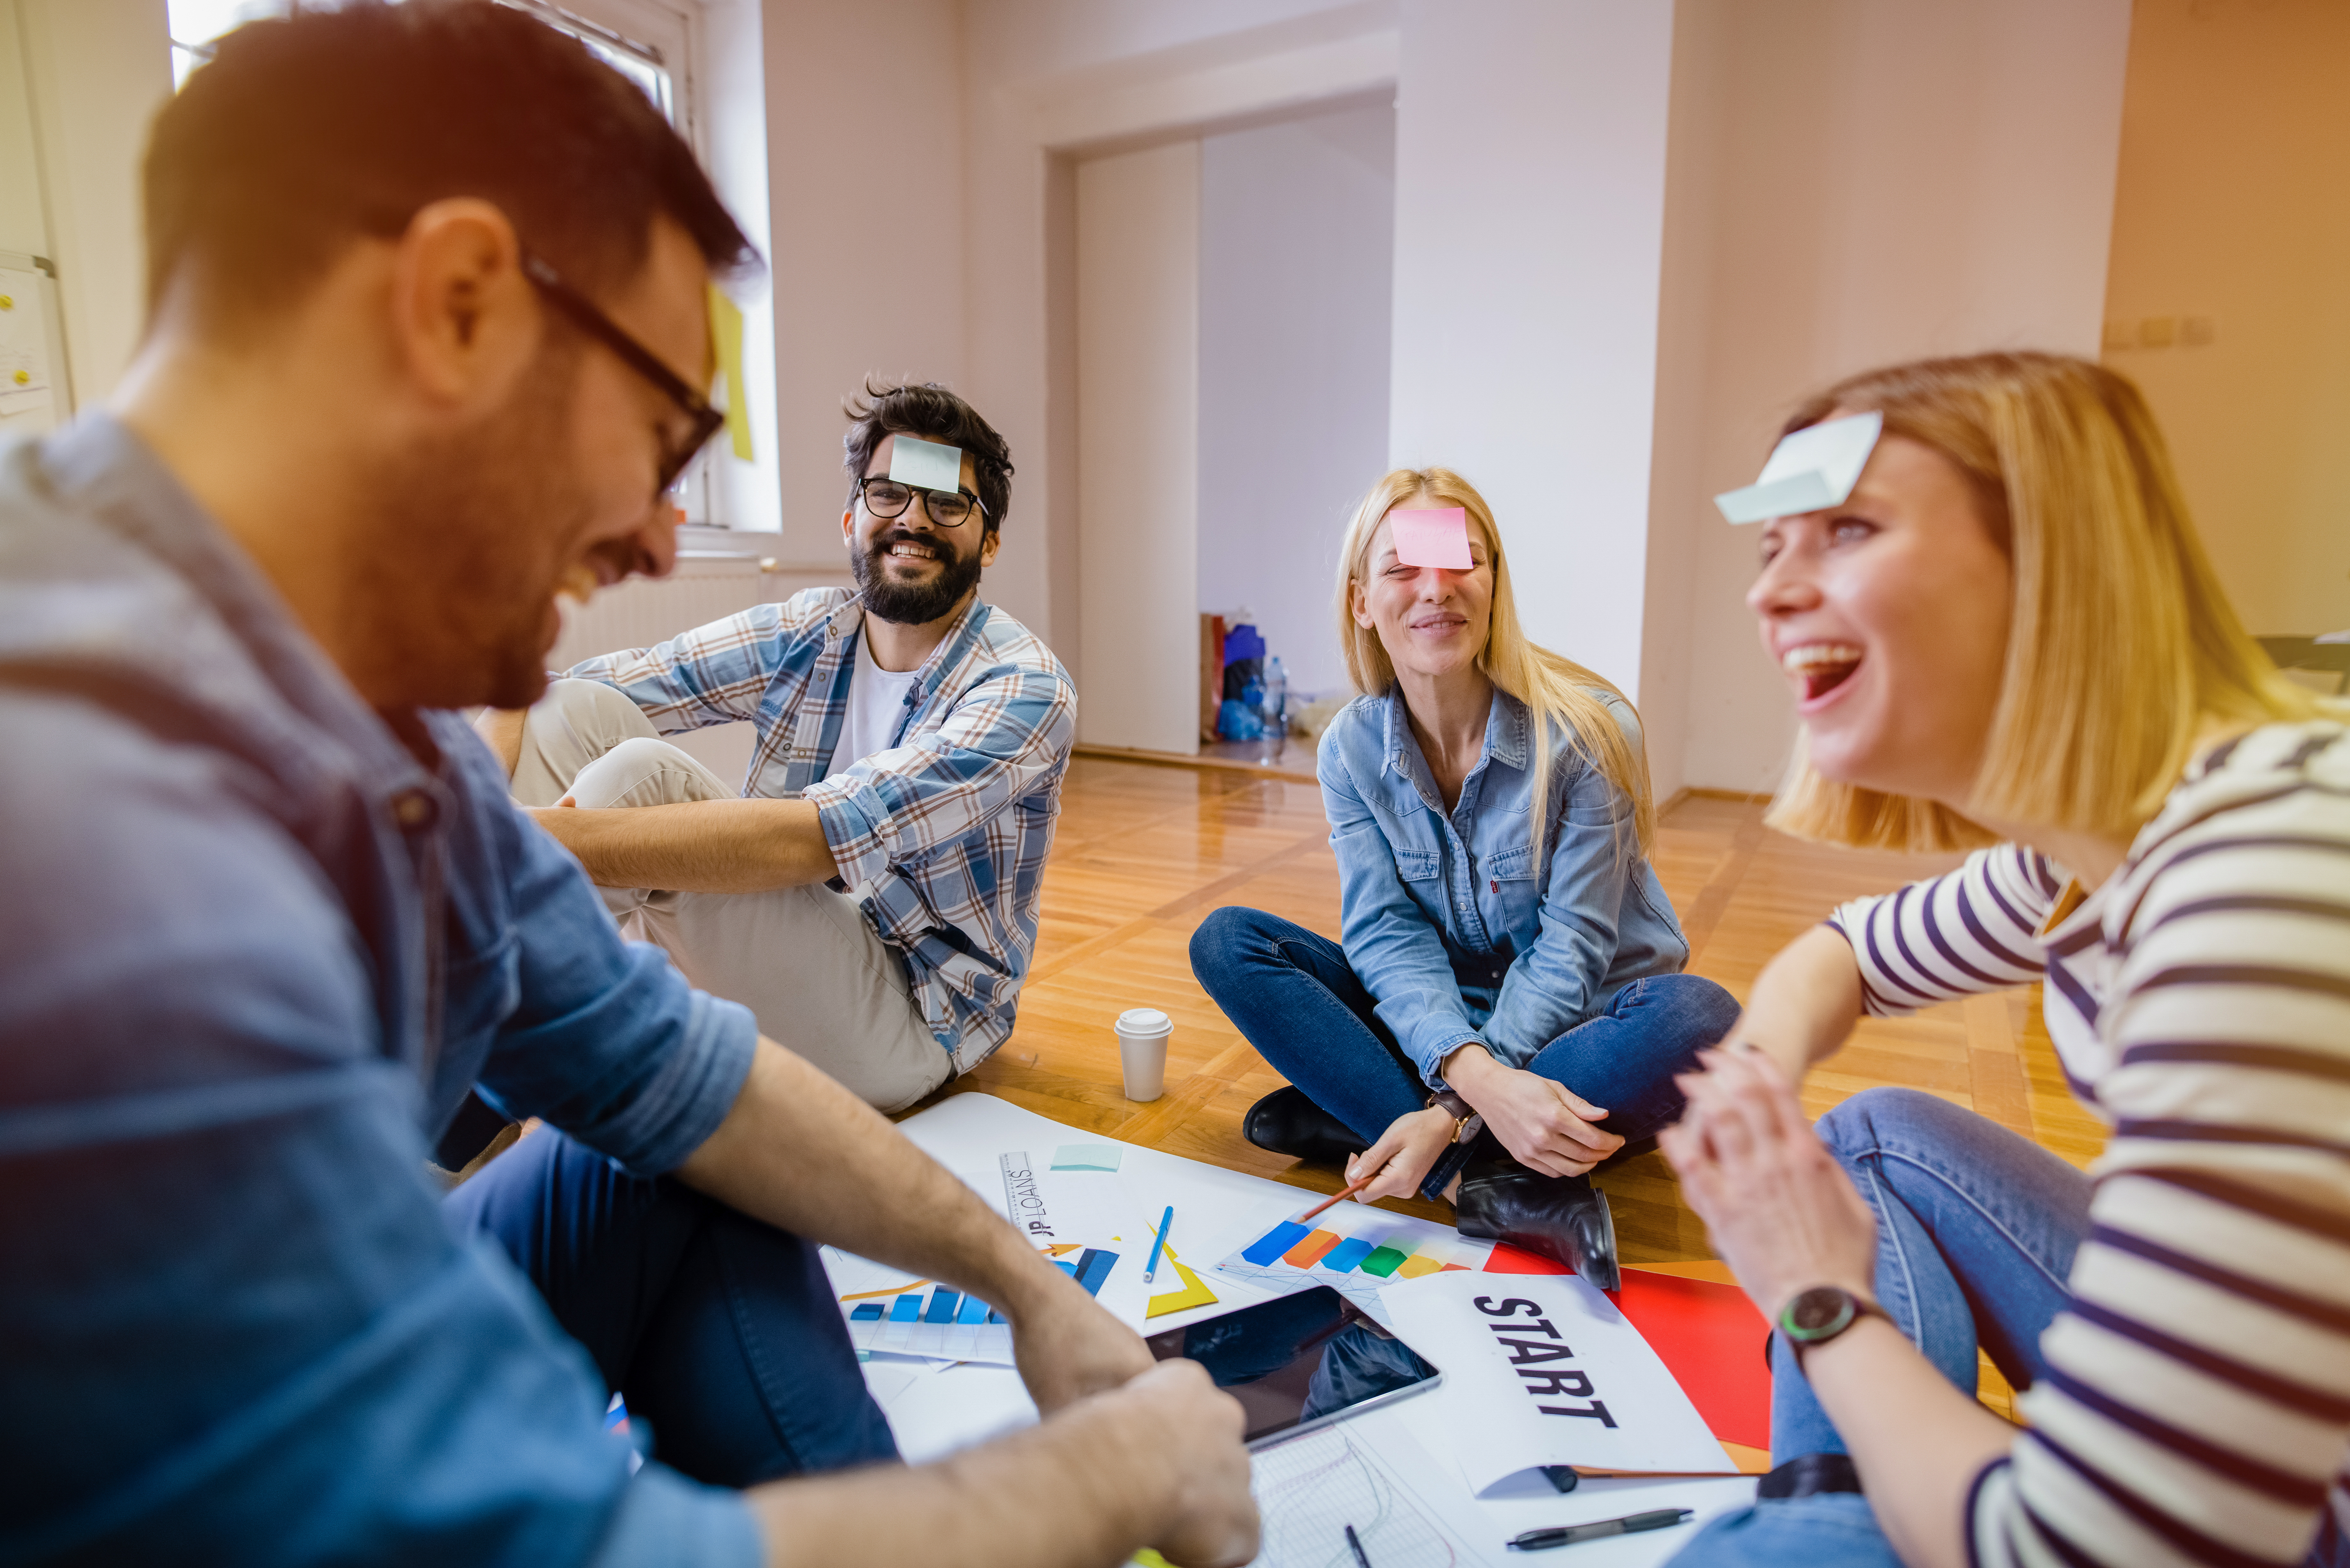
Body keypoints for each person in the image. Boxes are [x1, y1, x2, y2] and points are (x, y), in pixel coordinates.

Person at [0, 8, 1256, 1564]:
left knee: (667, 1136)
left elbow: (688, 1075)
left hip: (905, 1005)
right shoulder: (82, 819)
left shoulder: (388, 741)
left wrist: (1029, 1281)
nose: (665, 535)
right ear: (457, 303)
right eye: (664, 431)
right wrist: (1109, 1479)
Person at [1655, 351, 2350, 1568]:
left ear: (2058, 567)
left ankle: (1835, 1513)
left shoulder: (2264, 883)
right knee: (1868, 1132)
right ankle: (1844, 1494)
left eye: (1848, 530)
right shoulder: (2091, 844)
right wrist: (1760, 1084)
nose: (1771, 596)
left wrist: (1816, 1294)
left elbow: (2094, 1553)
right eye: (1772, 549)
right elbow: (1845, 953)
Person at [1190, 469, 1740, 1287]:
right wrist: (1471, 1083)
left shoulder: (1590, 731)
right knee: (1230, 941)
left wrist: (1450, 1106)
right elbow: (1385, 933)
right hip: (1446, 1034)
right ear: (1361, 602)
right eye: (1402, 568)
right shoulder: (1348, 748)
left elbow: (1576, 947)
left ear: (1493, 584)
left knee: (1701, 1014)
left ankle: (1375, 1122)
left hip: (1578, 1031)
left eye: (1460, 562)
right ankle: (1480, 1178)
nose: (1435, 589)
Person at [478, 381, 1067, 1113]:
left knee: (636, 777)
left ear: (989, 541)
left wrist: (530, 836)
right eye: (889, 493)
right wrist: (471, 798)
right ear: (852, 519)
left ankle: (474, 1073)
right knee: (571, 713)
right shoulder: (813, 629)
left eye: (947, 503)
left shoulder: (1023, 688)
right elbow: (558, 688)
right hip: (783, 942)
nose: (913, 519)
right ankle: (485, 1016)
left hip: (915, 1021)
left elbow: (820, 839)